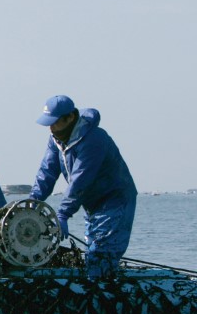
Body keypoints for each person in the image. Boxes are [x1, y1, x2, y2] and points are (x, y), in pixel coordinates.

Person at [29, 95, 137, 279]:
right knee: (93, 253)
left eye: (55, 122)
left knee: (102, 253)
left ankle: (104, 294)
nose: (51, 127)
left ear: (70, 117)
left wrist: (63, 213)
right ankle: (99, 285)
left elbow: (81, 178)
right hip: (92, 204)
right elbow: (47, 171)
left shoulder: (94, 139)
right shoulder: (56, 139)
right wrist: (33, 199)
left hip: (114, 201)